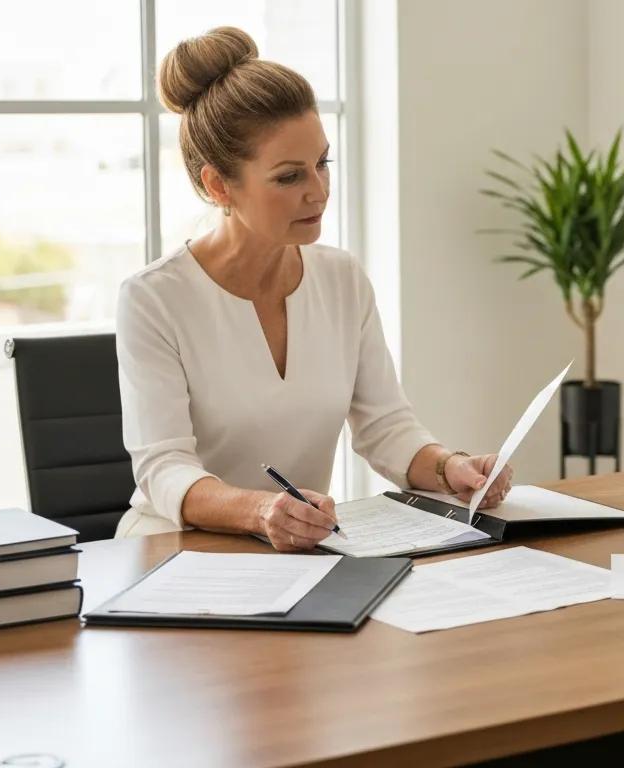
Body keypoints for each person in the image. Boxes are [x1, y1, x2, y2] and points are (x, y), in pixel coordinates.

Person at [115, 27, 512, 550]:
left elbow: (386, 428)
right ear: (218, 185)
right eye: (289, 177)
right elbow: (163, 468)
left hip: (296, 556)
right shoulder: (153, 298)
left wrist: (449, 468)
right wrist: (261, 510)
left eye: (322, 163)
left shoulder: (341, 278)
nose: (319, 191)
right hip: (173, 556)